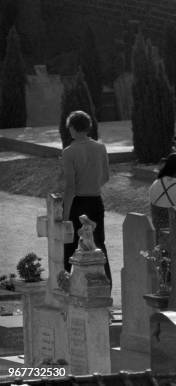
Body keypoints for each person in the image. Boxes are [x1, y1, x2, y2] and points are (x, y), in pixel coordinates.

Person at [62, 111, 111, 284]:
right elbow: (106, 176)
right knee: (99, 243)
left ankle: (66, 285)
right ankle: (105, 284)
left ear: (73, 128)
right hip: (96, 200)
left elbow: (70, 186)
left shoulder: (69, 152)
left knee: (70, 244)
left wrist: (65, 214)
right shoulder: (100, 147)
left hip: (78, 202)